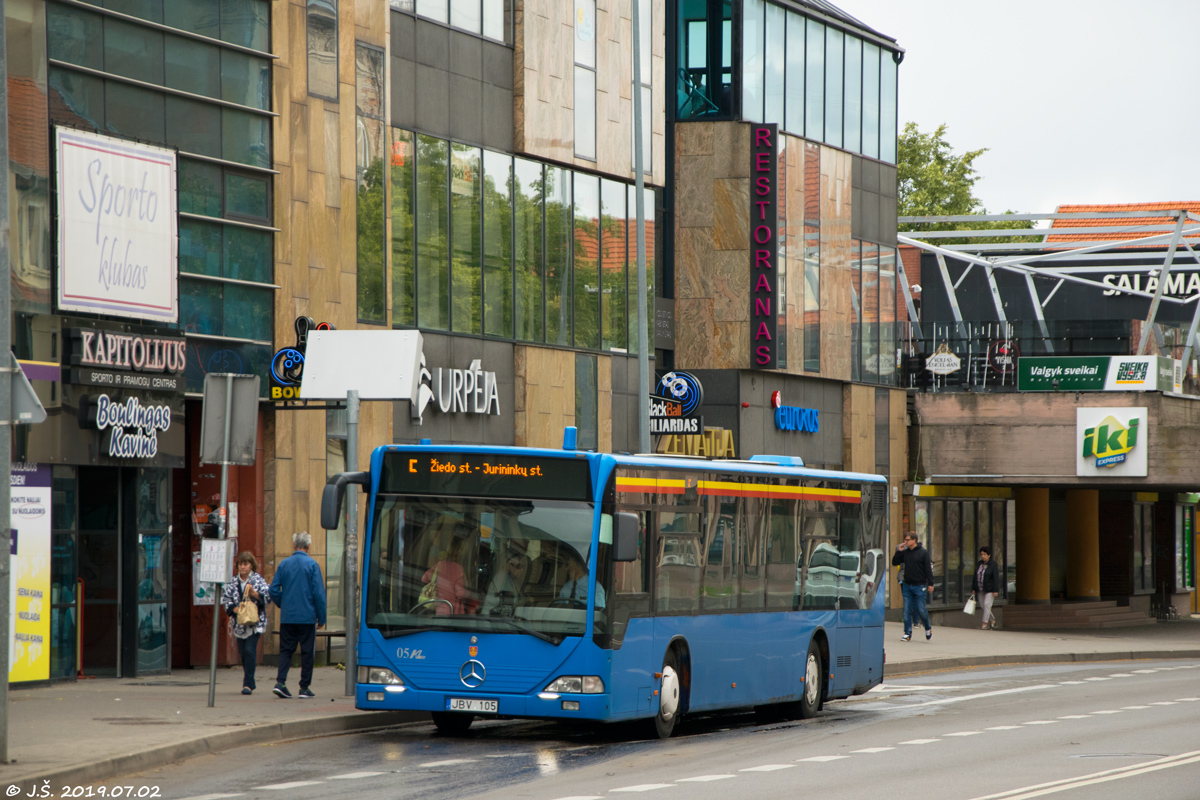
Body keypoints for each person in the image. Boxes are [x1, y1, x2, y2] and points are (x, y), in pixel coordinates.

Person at [269, 531, 326, 699]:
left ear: (294, 545)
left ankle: (280, 683)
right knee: (308, 652)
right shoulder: (312, 565)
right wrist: (321, 617)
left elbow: (273, 589)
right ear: (308, 546)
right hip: (307, 617)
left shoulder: (284, 564)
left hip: (288, 616)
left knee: (286, 650)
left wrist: (283, 603)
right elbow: (319, 594)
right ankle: (304, 687)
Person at [222, 552, 270, 695]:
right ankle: (251, 681)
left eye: (246, 564)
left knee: (250, 650)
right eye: (241, 564)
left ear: (251, 566)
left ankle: (247, 684)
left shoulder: (258, 580)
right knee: (243, 653)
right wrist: (234, 609)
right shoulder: (233, 582)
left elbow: (267, 597)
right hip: (240, 624)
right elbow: (226, 599)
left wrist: (255, 594)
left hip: (255, 624)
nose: (243, 567)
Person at [891, 532, 934, 642]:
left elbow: (928, 569)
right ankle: (907, 633)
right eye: (905, 539)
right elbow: (894, 562)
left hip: (919, 586)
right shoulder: (905, 553)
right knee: (906, 610)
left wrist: (930, 584)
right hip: (907, 585)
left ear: (914, 540)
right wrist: (899, 552)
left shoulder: (923, 553)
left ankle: (928, 627)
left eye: (907, 540)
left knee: (921, 609)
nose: (905, 542)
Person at [421, 537, 475, 615]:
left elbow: (424, 578)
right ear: (462, 553)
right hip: (452, 611)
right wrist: (471, 593)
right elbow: (460, 594)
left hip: (438, 608)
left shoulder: (439, 565)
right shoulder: (458, 568)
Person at [481, 547, 529, 615]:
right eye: (518, 566)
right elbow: (494, 603)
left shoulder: (512, 580)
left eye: (522, 567)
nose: (521, 570)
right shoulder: (501, 577)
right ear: (508, 565)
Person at [972, 545, 1001, 630]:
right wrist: (973, 588)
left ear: (989, 555)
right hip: (980, 588)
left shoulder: (993, 565)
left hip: (990, 589)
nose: (983, 556)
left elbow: (996, 578)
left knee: (987, 605)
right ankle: (992, 620)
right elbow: (975, 576)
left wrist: (995, 590)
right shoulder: (979, 564)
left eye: (985, 554)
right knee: (983, 606)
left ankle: (984, 624)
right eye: (982, 554)